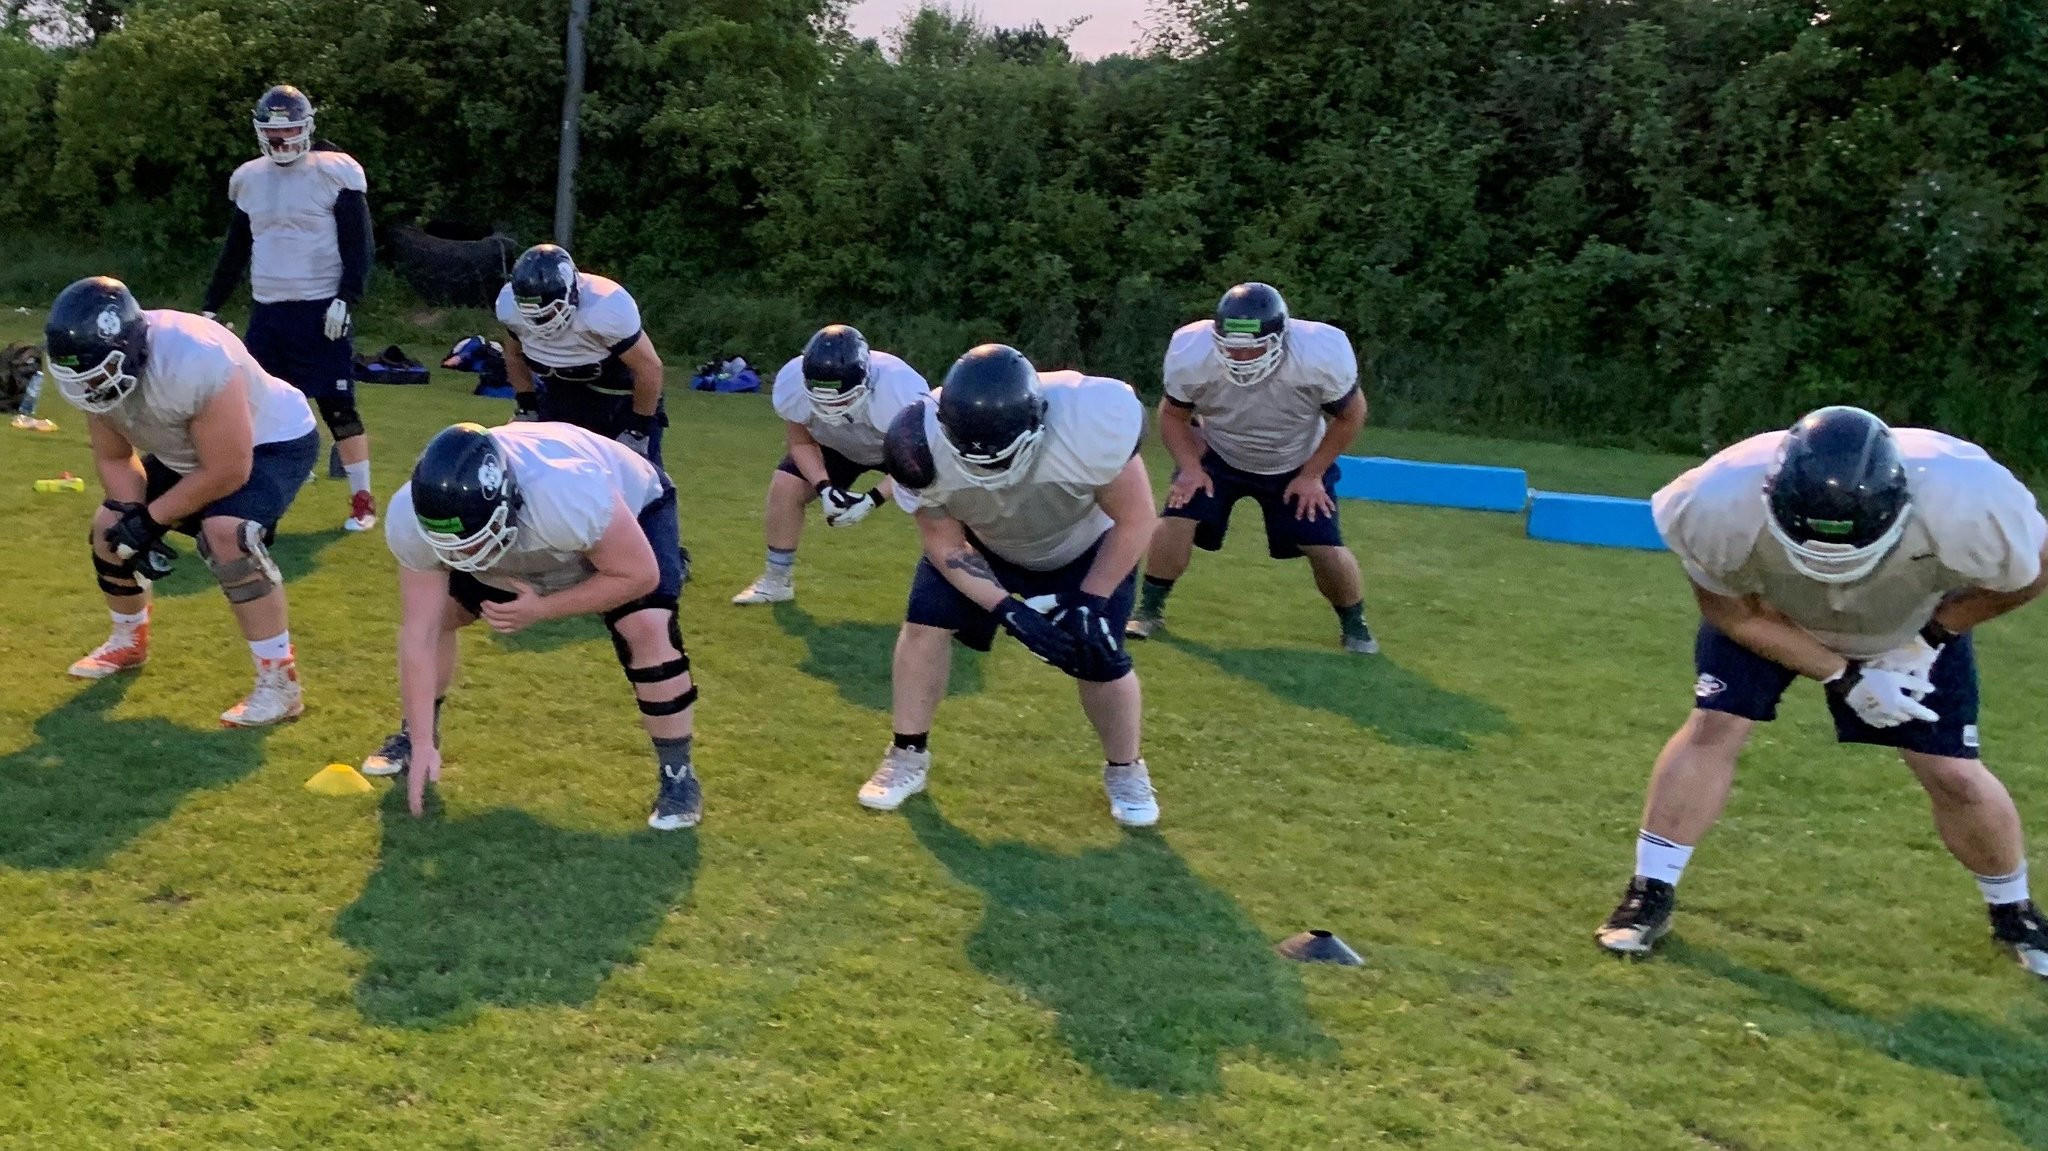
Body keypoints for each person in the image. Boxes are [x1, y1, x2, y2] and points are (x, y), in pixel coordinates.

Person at [1597, 406, 2048, 977]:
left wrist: (1929, 639)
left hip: (1910, 622)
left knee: (1952, 771)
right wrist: (1845, 676)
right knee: (1715, 724)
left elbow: (2034, 571)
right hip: (1773, 615)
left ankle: (2016, 912)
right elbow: (1730, 615)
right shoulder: (1713, 497)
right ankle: (1649, 893)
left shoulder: (1968, 494)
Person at [858, 344, 1160, 827]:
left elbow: (1137, 518)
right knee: (924, 627)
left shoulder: (1089, 419)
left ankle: (1126, 768)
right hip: (983, 546)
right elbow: (944, 544)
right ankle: (907, 755)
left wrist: (1091, 599)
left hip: (1083, 546)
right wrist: (1008, 610)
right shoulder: (917, 443)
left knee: (1099, 655)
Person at [363, 422, 701, 829]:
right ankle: (416, 735)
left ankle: (678, 776)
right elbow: (418, 632)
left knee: (646, 627)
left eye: (471, 541)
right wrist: (420, 742)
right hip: (528, 533)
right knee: (442, 617)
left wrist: (543, 609)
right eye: (453, 546)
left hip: (630, 512)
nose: (465, 553)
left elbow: (637, 575)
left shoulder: (568, 492)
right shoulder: (410, 518)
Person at [46, 276, 320, 726]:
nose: (92, 388)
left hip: (270, 442)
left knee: (228, 535)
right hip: (186, 450)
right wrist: (134, 515)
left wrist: (153, 520)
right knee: (108, 528)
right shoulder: (96, 369)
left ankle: (280, 683)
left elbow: (229, 469)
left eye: (99, 375)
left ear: (132, 347)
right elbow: (115, 458)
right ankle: (128, 639)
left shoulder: (196, 357)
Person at [1125, 283, 1376, 654]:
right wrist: (1190, 467)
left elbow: (1352, 414)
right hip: (1219, 450)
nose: (1242, 354)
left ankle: (1355, 624)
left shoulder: (1319, 352)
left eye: (1253, 346)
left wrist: (1312, 475)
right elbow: (1174, 413)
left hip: (1295, 459)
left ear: (1280, 337)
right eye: (1232, 345)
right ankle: (1148, 610)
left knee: (1321, 543)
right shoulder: (1192, 350)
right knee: (1176, 518)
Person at [202, 84, 377, 533]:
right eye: (274, 134)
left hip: (321, 309)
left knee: (338, 408)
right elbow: (235, 250)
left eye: (290, 132)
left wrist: (347, 297)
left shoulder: (334, 171)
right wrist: (210, 307)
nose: (282, 142)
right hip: (269, 313)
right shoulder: (249, 179)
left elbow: (359, 244)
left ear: (307, 129)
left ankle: (362, 501)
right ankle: (254, 501)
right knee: (252, 410)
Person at [730, 324, 930, 604]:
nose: (831, 409)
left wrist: (873, 499)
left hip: (897, 449)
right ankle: (777, 581)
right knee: (786, 487)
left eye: (842, 400)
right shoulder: (793, 380)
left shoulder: (898, 389)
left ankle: (957, 597)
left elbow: (920, 459)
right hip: (835, 445)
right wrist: (824, 487)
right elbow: (800, 442)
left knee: (940, 508)